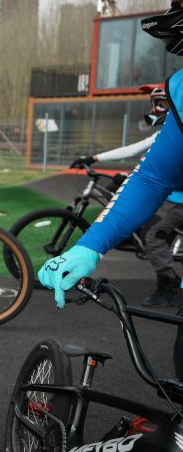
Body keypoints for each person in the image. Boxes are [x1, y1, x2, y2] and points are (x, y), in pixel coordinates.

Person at [38, 0, 183, 376]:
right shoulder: (182, 89)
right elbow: (152, 173)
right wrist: (89, 245)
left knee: (158, 237)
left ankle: (164, 280)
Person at [69, 85, 183, 307]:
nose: (157, 109)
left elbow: (148, 160)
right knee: (148, 223)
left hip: (179, 200)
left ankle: (168, 285)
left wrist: (96, 159)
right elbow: (138, 150)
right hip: (174, 198)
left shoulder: (173, 132)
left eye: (162, 104)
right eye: (155, 104)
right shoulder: (168, 131)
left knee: (154, 237)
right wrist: (94, 158)